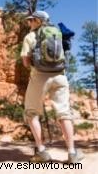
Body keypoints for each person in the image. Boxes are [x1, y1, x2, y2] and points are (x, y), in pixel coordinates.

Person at [20, 10, 84, 163]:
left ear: (38, 21)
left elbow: (25, 61)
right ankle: (72, 153)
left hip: (39, 77)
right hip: (60, 77)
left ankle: (42, 152)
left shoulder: (30, 37)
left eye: (31, 20)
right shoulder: (58, 34)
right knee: (64, 113)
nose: (29, 23)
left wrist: (35, 67)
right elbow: (66, 54)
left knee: (31, 113)